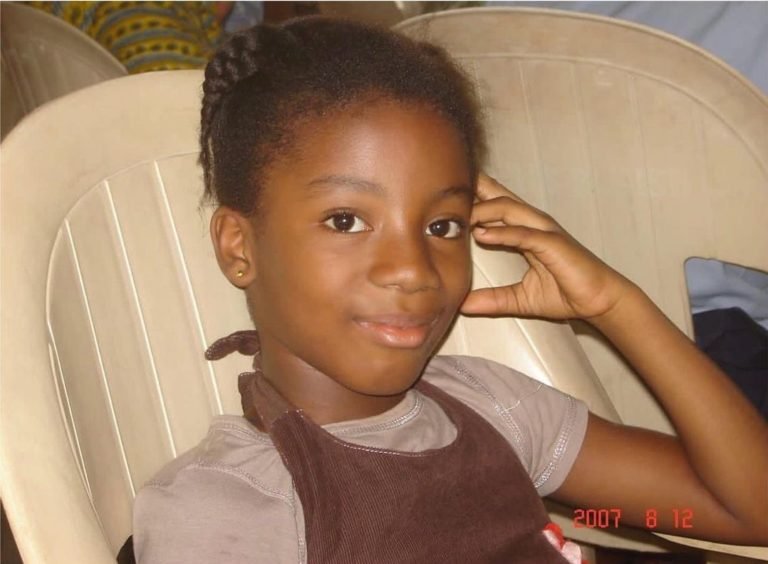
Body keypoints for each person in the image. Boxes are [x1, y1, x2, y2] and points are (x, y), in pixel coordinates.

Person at [131, 16, 768, 563]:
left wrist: (615, 305)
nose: (413, 268)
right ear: (239, 248)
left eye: (442, 226)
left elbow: (748, 508)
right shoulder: (231, 508)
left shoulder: (492, 408)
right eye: (346, 221)